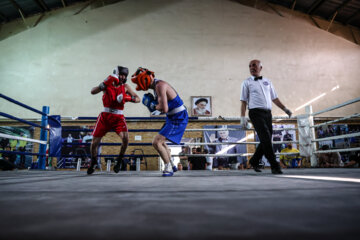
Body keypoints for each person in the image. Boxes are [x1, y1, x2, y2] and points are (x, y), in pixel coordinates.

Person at [131, 67, 188, 177]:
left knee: (156, 142)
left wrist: (151, 104)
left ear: (144, 80)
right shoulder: (156, 86)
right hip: (172, 116)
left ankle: (168, 167)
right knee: (161, 142)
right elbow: (162, 109)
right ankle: (172, 164)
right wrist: (153, 106)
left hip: (178, 117)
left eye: (138, 82)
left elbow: (164, 109)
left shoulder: (160, 86)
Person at [240, 59, 292, 174]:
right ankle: (275, 165)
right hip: (255, 113)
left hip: (268, 114)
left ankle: (254, 160)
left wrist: (285, 108)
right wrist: (242, 118)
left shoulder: (268, 81)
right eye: (250, 66)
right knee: (266, 137)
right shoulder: (246, 82)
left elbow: (274, 98)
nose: (251, 68)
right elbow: (243, 101)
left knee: (266, 139)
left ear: (260, 67)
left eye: (254, 65)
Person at [87, 66, 140, 175]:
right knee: (94, 143)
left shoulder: (125, 87)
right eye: (121, 74)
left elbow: (138, 99)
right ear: (116, 74)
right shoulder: (107, 84)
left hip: (118, 117)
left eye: (125, 75)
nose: (123, 77)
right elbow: (92, 91)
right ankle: (93, 162)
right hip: (105, 116)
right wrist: (104, 84)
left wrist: (128, 98)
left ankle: (119, 160)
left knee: (126, 139)